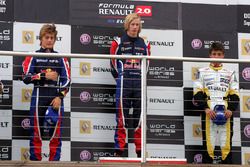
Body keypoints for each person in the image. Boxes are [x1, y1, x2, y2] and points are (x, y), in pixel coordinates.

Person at [22, 24, 70, 161]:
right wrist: (43, 76)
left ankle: (54, 163)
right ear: (41, 39)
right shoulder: (34, 56)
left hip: (55, 98)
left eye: (52, 38)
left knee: (56, 135)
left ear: (55, 40)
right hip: (38, 96)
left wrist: (60, 96)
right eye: (46, 37)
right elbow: (25, 77)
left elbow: (68, 80)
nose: (49, 40)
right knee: (35, 133)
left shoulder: (61, 57)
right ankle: (35, 163)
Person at [110, 13, 150, 157]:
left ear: (140, 26)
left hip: (139, 83)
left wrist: (140, 78)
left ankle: (140, 151)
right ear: (127, 25)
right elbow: (113, 64)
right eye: (132, 24)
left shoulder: (145, 43)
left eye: (137, 24)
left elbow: (147, 65)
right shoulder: (118, 41)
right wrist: (121, 78)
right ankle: (119, 151)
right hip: (124, 84)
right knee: (121, 118)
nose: (135, 27)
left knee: (139, 118)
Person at [193, 42, 239, 164]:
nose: (216, 57)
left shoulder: (230, 72)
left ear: (223, 55)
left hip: (226, 111)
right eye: (214, 54)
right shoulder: (201, 71)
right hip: (209, 110)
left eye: (219, 54)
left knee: (226, 144)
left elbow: (235, 94)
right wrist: (206, 109)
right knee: (209, 143)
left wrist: (231, 109)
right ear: (210, 55)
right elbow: (197, 93)